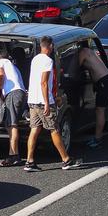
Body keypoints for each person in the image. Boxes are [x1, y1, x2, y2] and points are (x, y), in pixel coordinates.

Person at [24, 36, 81, 171]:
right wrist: (47, 103)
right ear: (50, 46)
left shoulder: (35, 59)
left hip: (32, 100)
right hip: (43, 101)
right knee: (54, 129)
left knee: (34, 129)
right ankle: (66, 160)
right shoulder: (48, 61)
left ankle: (29, 161)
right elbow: (44, 82)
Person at [0, 49, 28, 167]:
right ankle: (14, 154)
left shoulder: (0, 62)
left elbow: (0, 75)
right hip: (21, 93)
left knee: (12, 124)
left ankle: (14, 156)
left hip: (13, 94)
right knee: (9, 124)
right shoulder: (13, 67)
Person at [81, 44, 108, 150]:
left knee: (100, 110)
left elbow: (75, 68)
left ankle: (98, 139)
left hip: (104, 82)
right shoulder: (90, 52)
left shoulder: (83, 52)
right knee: (100, 110)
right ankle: (98, 138)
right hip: (106, 80)